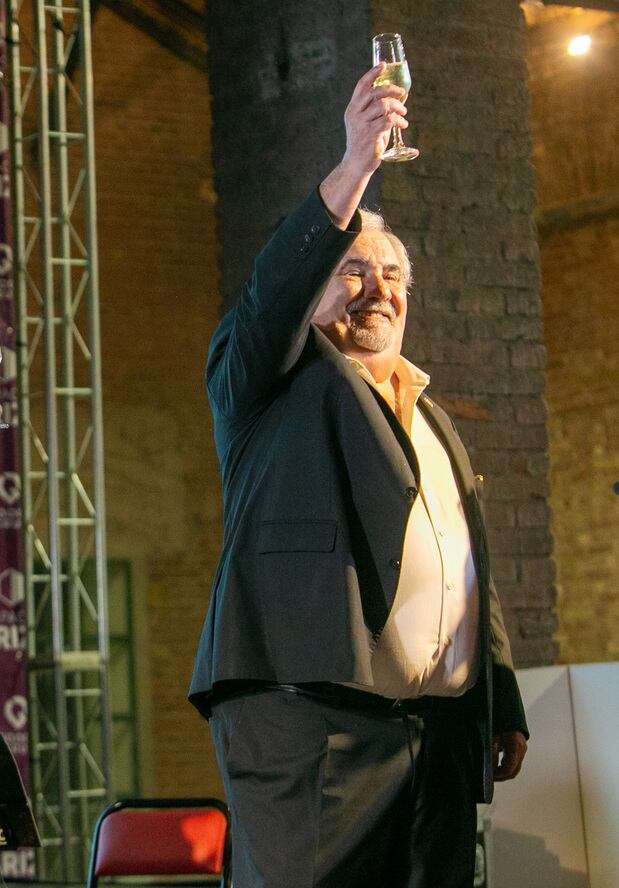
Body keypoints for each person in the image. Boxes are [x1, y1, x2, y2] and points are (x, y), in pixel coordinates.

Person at [189, 65, 529, 887]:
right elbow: (270, 297)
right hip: (313, 729)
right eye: (352, 271)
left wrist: (500, 697)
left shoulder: (434, 418)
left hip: (438, 736)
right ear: (313, 287)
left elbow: (463, 567)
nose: (376, 290)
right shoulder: (267, 388)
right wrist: (353, 166)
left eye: (392, 279)